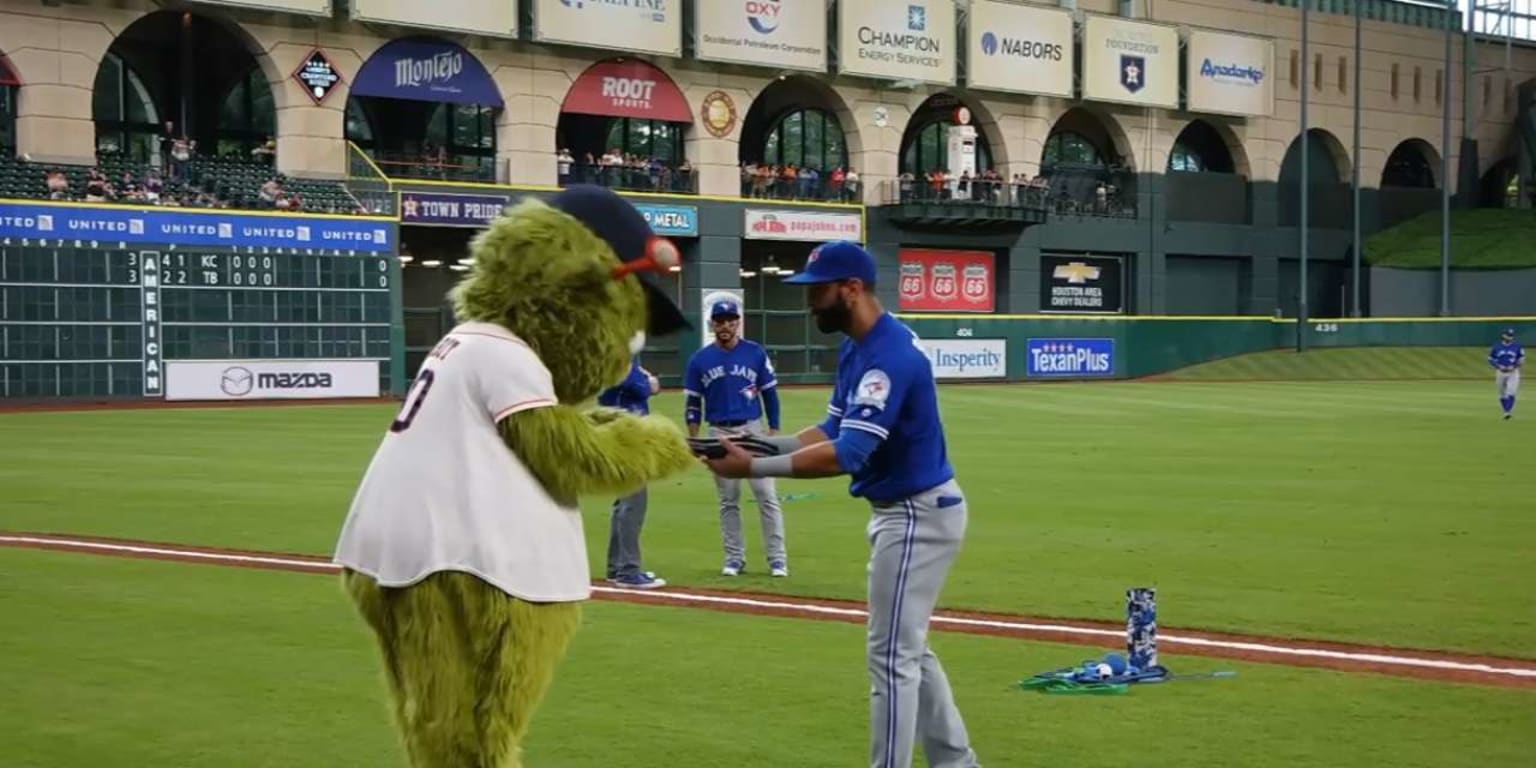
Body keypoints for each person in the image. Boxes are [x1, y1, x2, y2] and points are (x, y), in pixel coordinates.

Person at [700, 240, 981, 768]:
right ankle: (957, 762)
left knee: (891, 657)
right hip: (912, 510)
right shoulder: (860, 345)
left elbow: (849, 453)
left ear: (851, 289)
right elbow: (832, 429)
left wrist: (752, 468)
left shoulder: (888, 356)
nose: (810, 303)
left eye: (819, 291)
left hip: (917, 513)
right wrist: (759, 445)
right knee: (908, 649)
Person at [683, 299, 788, 577]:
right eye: (720, 321)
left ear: (738, 322)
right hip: (718, 432)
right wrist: (694, 439)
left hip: (752, 429)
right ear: (712, 324)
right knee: (729, 500)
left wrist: (773, 430)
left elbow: (770, 393)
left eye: (731, 320)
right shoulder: (700, 360)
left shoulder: (754, 353)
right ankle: (734, 558)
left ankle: (777, 559)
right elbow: (693, 404)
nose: (725, 325)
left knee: (767, 495)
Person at [598, 356, 666, 588]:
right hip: (625, 437)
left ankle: (616, 567)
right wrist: (650, 381)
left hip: (616, 433)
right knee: (633, 504)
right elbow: (642, 386)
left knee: (623, 503)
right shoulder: (618, 357)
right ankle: (628, 570)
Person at [1489, 327, 1524, 420]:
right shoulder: (1496, 346)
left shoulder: (1517, 346)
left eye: (1511, 336)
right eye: (1508, 335)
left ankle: (1507, 412)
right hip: (1500, 372)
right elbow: (1490, 359)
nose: (1510, 338)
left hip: (1513, 372)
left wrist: (1515, 366)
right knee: (1502, 394)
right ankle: (1506, 411)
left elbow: (1521, 359)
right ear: (1503, 335)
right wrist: (1498, 366)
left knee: (1511, 392)